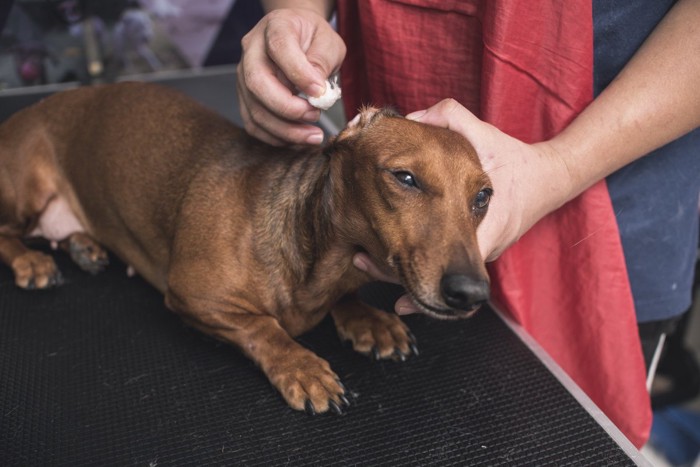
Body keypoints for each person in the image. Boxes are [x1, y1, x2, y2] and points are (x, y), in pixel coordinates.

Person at [237, 0, 700, 448]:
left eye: (480, 197)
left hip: (615, 206)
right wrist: (298, 13)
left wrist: (560, 166)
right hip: (386, 220)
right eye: (406, 179)